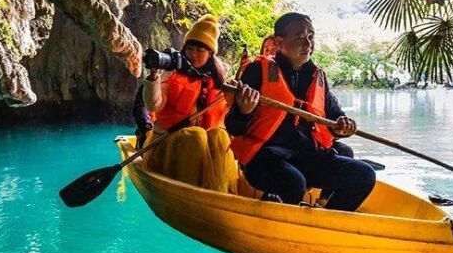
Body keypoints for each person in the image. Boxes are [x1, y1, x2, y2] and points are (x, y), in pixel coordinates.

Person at [225, 12, 376, 211]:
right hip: (265, 158)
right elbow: (233, 126)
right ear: (279, 42)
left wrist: (342, 127)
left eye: (311, 36)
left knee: (364, 175)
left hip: (307, 155)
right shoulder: (258, 71)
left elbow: (334, 117)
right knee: (294, 183)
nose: (308, 43)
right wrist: (244, 111)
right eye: (299, 37)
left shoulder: (318, 76)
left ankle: (326, 224)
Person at [142, 14, 238, 193]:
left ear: (210, 54)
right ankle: (189, 194)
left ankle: (220, 193)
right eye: (190, 48)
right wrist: (154, 75)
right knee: (195, 136)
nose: (193, 54)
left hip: (204, 153)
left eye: (200, 50)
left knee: (219, 136)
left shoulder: (219, 82)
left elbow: (228, 120)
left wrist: (235, 99)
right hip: (167, 146)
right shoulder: (172, 72)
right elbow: (153, 105)